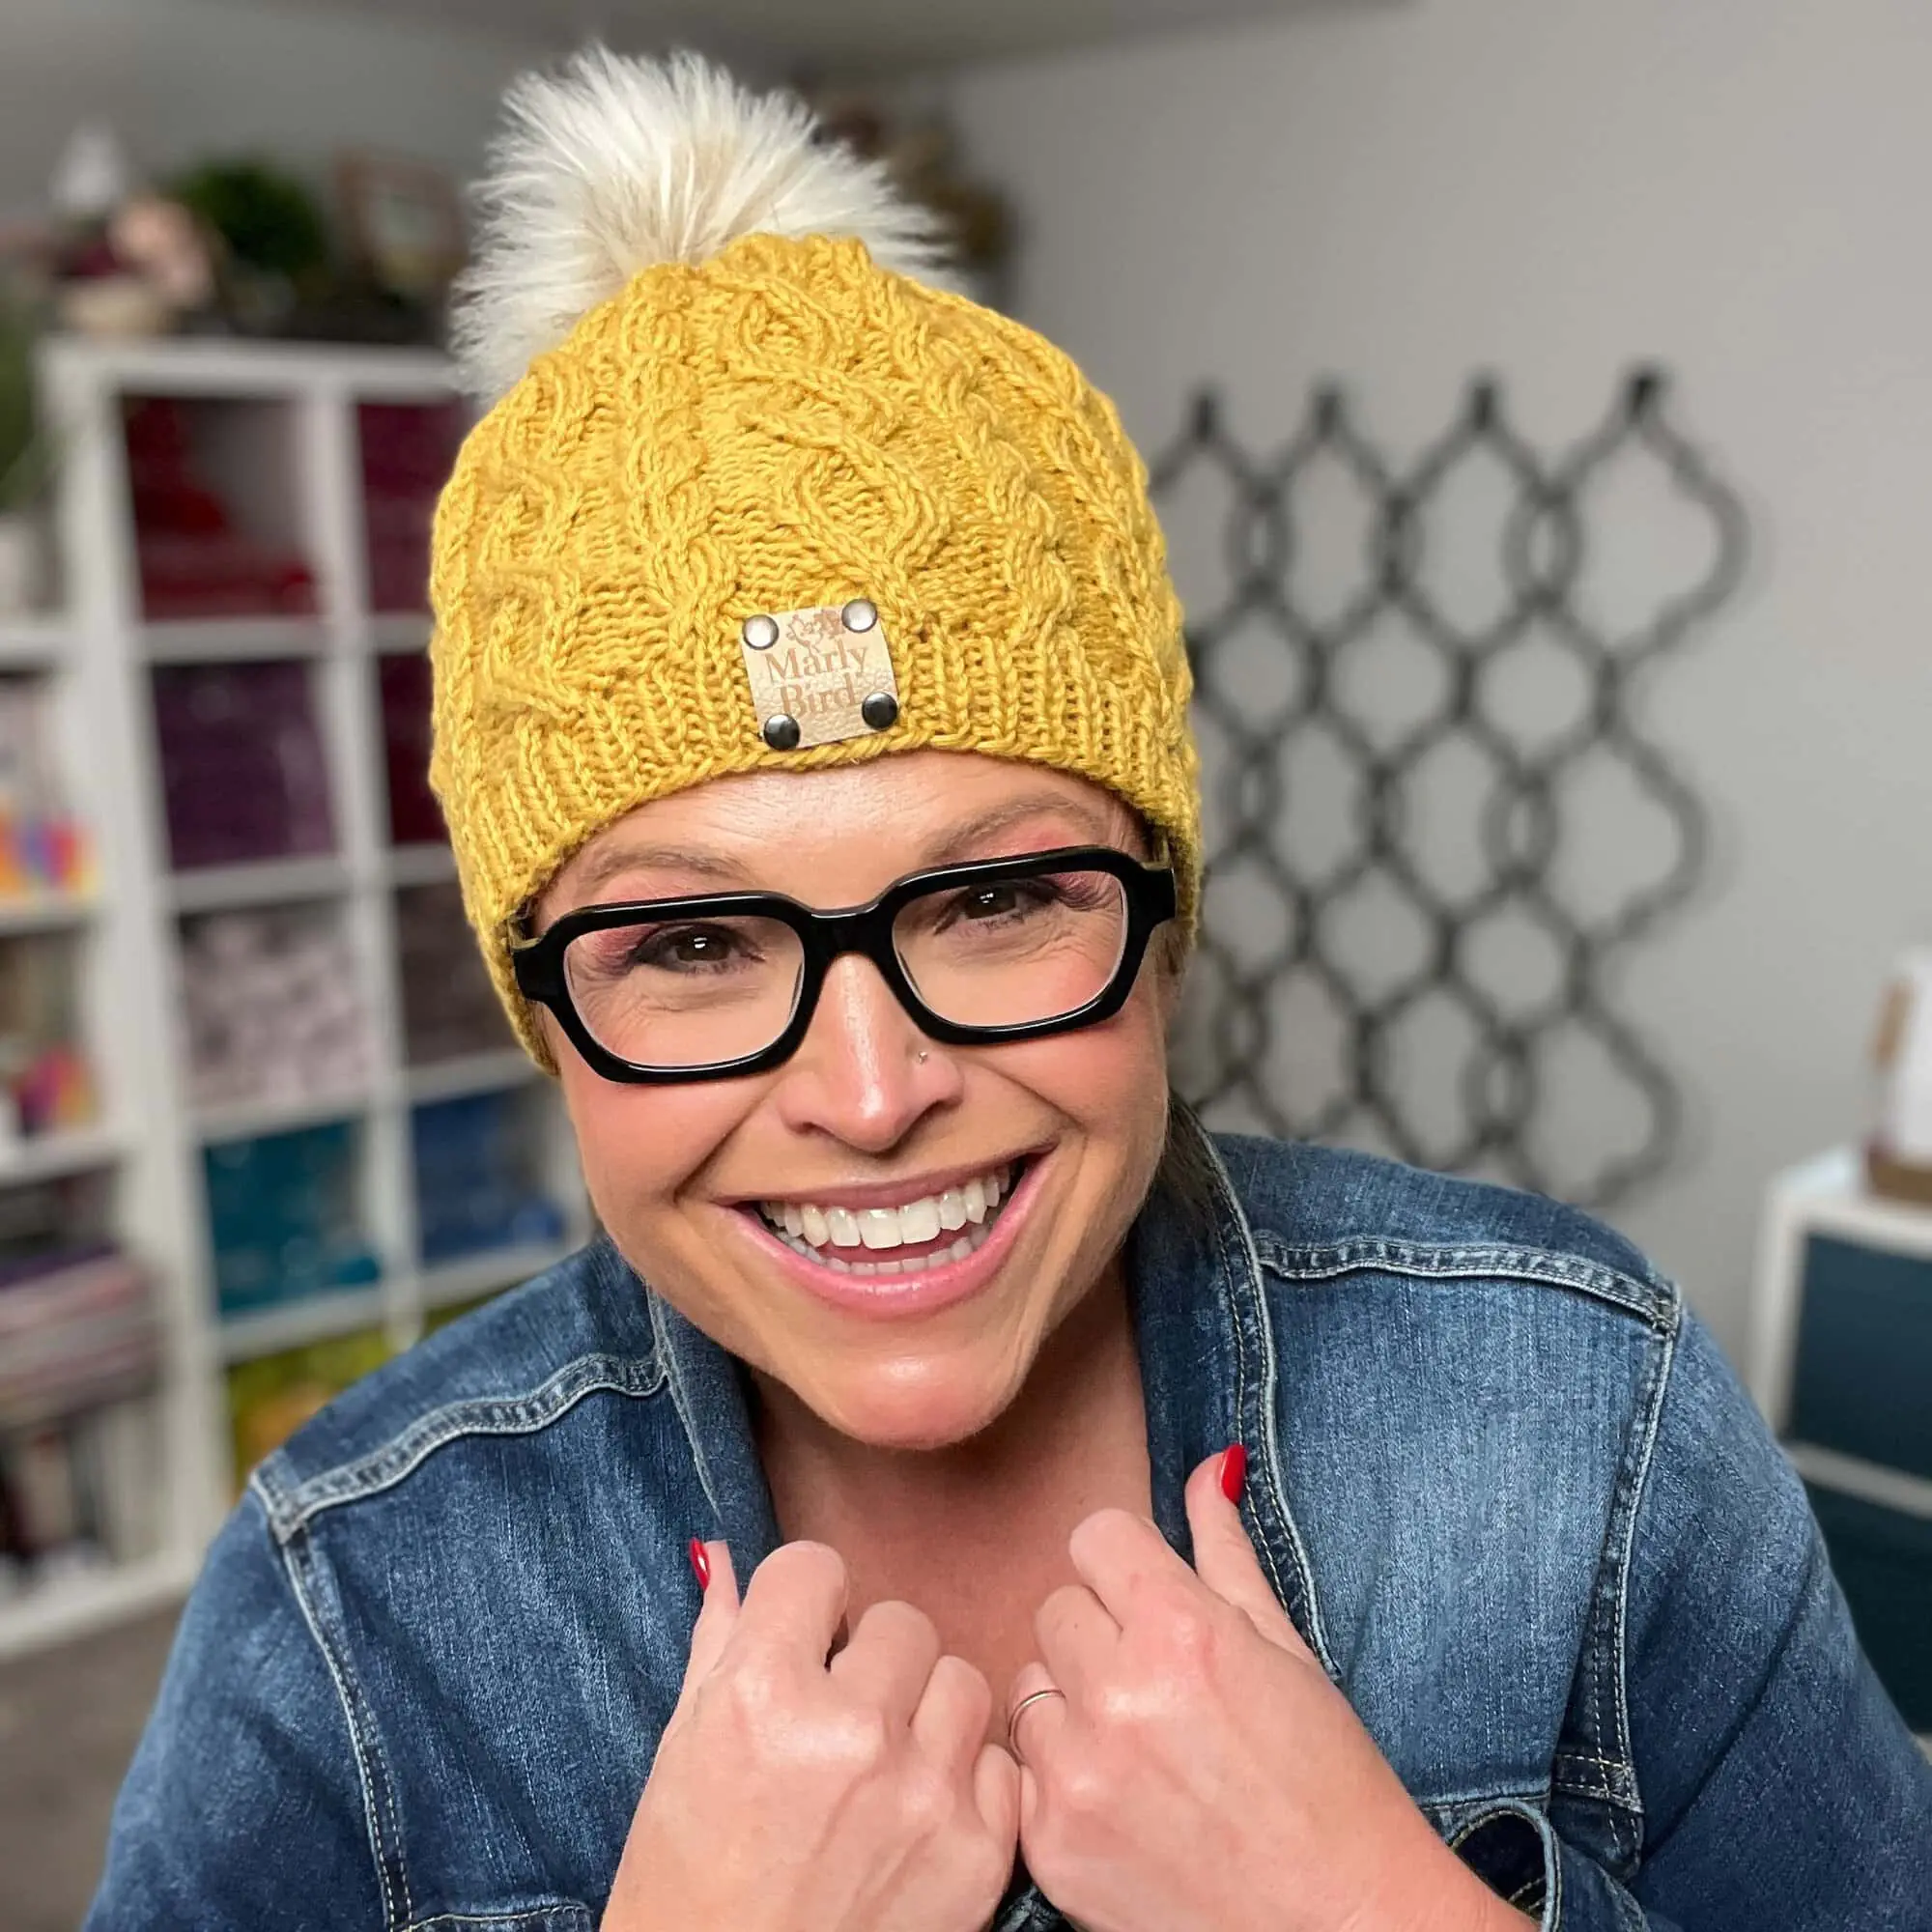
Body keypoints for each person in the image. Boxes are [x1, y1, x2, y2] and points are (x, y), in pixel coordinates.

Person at [89, 49, 1930, 1932]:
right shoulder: (352, 1604)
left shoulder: (1580, 1413)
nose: (871, 1091)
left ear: (1166, 923)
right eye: (695, 945)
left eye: (991, 899)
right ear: (546, 1016)